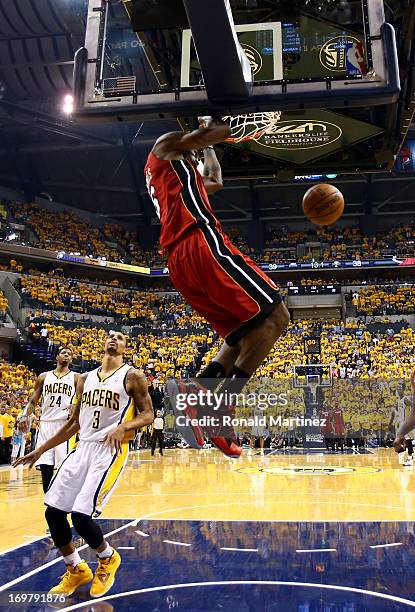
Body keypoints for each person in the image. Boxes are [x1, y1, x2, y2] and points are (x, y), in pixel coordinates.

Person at [145, 117, 290, 457]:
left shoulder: (181, 179)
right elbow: (214, 133)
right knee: (278, 315)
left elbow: (216, 178)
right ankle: (222, 406)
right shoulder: (164, 146)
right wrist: (227, 122)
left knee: (243, 338)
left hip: (180, 263)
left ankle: (199, 393)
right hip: (200, 243)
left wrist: (208, 145)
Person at [14, 330, 154, 598]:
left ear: (125, 347)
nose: (114, 338)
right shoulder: (85, 379)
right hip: (82, 448)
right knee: (53, 512)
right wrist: (40, 449)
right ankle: (76, 568)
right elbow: (74, 423)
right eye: (110, 335)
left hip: (110, 450)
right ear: (104, 343)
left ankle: (107, 557)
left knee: (80, 516)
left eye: (120, 337)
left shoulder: (132, 376)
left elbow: (148, 414)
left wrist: (123, 426)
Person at [17, 347, 79, 492]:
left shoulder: (76, 377)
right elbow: (33, 401)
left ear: (71, 360)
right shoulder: (44, 377)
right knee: (46, 464)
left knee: (64, 465)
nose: (66, 355)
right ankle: (48, 495)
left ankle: (63, 498)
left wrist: (75, 404)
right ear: (57, 357)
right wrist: (24, 415)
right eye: (64, 353)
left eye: (69, 354)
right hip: (45, 423)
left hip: (64, 424)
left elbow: (82, 397)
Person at [392, 383, 415, 466]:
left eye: (400, 387)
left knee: (408, 441)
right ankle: (407, 456)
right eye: (398, 387)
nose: (399, 389)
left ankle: (410, 458)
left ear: (404, 389)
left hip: (407, 424)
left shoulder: (406, 399)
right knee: (403, 441)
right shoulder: (399, 400)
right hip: (401, 424)